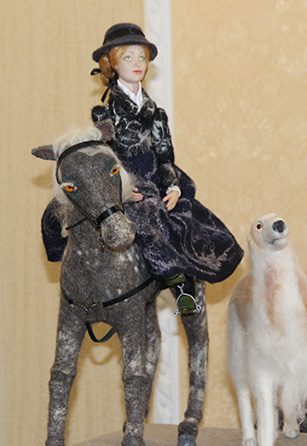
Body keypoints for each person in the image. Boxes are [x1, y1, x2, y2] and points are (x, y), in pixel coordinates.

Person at [42, 22, 242, 315]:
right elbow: (107, 156)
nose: (137, 64)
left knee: (186, 216)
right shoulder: (104, 112)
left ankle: (181, 283)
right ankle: (69, 261)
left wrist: (172, 185)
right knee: (66, 211)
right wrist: (123, 187)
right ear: (112, 63)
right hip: (123, 176)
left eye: (142, 58)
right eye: (128, 57)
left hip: (153, 173)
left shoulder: (156, 113)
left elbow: (164, 154)